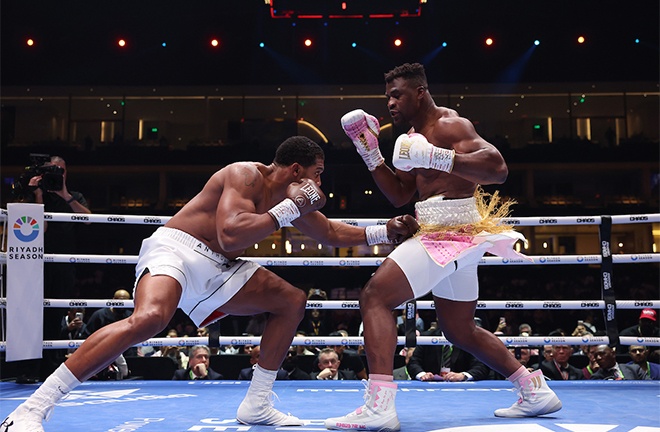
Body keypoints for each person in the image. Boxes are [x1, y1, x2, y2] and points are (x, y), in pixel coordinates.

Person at [2, 136, 419, 431]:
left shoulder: (292, 199)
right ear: (296, 170)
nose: (320, 185)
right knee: (149, 319)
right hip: (178, 249)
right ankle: (32, 408)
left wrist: (385, 231)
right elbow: (232, 235)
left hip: (220, 265)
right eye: (317, 174)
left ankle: (257, 404)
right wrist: (291, 207)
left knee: (291, 300)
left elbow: (329, 233)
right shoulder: (245, 176)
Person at [325, 63, 561, 431]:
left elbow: (498, 169)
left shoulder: (451, 125)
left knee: (375, 296)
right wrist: (370, 153)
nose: (390, 103)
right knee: (459, 328)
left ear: (420, 92)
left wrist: (439, 156)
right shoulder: (412, 135)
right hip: (445, 233)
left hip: (452, 231)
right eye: (387, 95)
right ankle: (534, 390)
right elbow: (401, 195)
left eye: (397, 94)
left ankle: (379, 406)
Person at [15, 155, 92, 384]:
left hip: (63, 265)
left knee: (54, 316)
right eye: (53, 169)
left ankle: (49, 369)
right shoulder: (34, 195)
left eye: (61, 169)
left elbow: (88, 219)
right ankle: (28, 369)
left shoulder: (73, 196)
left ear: (66, 173)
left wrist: (65, 196)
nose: (57, 173)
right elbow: (39, 229)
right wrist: (38, 195)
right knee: (30, 316)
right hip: (32, 264)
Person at [406, 328, 490, 382]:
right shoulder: (427, 337)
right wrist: (422, 375)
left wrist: (463, 375)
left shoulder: (469, 339)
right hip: (430, 386)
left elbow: (481, 366)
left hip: (460, 389)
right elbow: (413, 362)